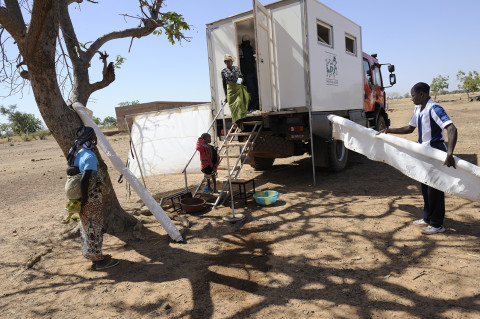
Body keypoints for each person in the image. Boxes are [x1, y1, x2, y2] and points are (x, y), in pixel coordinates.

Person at [377, 82, 457, 234]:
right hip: (423, 153)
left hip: (435, 153)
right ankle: (427, 218)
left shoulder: (434, 108)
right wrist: (388, 130)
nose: (411, 98)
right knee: (425, 186)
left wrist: (450, 153)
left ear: (422, 94)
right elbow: (409, 128)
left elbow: (451, 128)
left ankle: (437, 224)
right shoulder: (418, 109)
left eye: (413, 95)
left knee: (435, 190)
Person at [66, 126, 119, 270]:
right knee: (94, 228)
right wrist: (85, 199)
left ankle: (94, 255)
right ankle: (98, 261)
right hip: (90, 199)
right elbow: (85, 179)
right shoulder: (89, 156)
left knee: (86, 228)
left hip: (81, 199)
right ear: (90, 138)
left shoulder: (78, 154)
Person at [221, 53, 250, 126]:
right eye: (227, 61)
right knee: (233, 107)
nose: (228, 63)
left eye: (230, 61)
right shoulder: (223, 71)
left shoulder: (236, 68)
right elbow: (224, 84)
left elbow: (241, 77)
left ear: (232, 62)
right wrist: (226, 95)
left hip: (237, 88)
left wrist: (238, 83)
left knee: (239, 103)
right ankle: (238, 123)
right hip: (230, 90)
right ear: (225, 63)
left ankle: (241, 121)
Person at [239, 35, 259, 111]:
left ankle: (253, 106)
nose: (248, 43)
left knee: (255, 90)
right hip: (247, 74)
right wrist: (243, 74)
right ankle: (250, 107)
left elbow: (254, 59)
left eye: (248, 41)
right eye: (246, 42)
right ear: (243, 42)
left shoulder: (251, 48)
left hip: (252, 72)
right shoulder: (241, 50)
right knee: (251, 90)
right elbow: (241, 62)